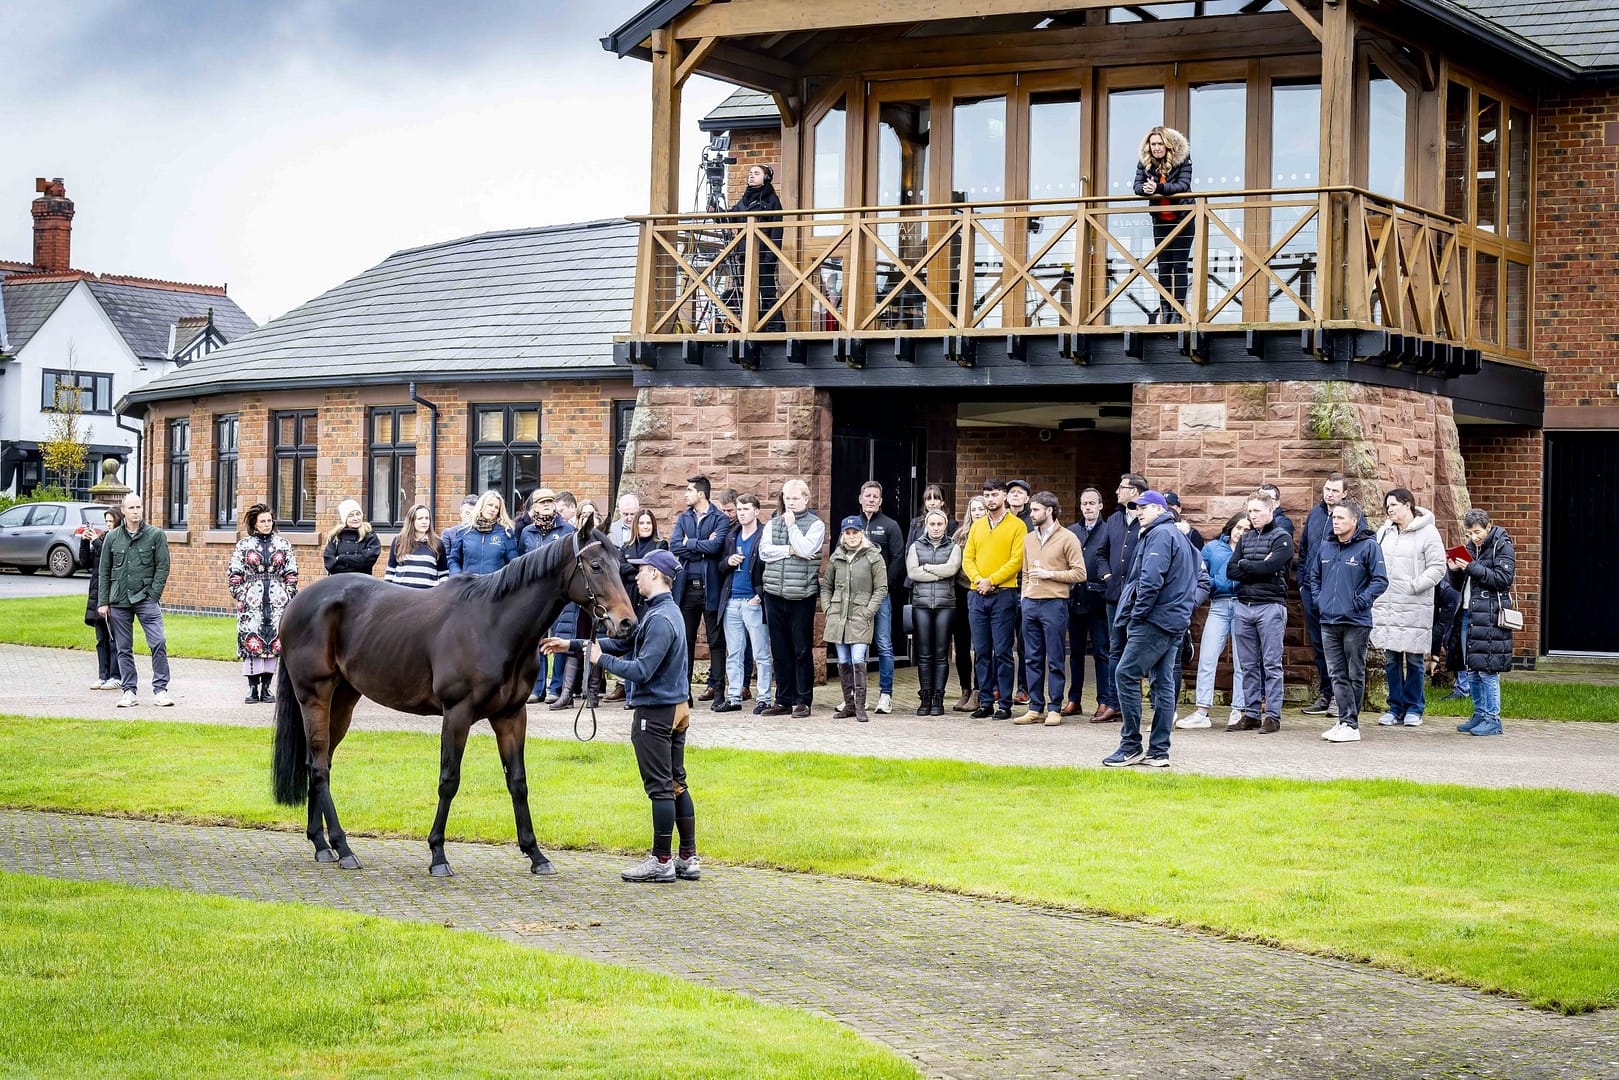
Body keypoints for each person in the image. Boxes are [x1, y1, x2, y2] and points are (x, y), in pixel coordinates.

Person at [543, 548, 697, 883]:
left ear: (655, 574)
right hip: (676, 707)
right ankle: (687, 857)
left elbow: (640, 670)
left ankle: (661, 860)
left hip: (655, 712)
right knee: (676, 783)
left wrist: (599, 661)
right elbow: (625, 645)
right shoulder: (664, 612)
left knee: (660, 788)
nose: (637, 576)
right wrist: (571, 645)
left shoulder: (659, 619)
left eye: (642, 571)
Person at [1103, 491, 1199, 767]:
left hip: (1155, 620)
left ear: (1159, 509)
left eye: (1144, 507)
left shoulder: (1159, 535)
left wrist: (1137, 616)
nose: (1138, 511)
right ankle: (1158, 751)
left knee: (1125, 674)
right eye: (1135, 507)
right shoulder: (1174, 535)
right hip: (1173, 620)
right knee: (1163, 682)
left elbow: (1150, 581)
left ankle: (1131, 745)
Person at [1306, 500, 1388, 743]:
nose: (1335, 521)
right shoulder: (1326, 547)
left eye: (1341, 518)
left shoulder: (1369, 547)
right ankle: (1343, 720)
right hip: (1328, 620)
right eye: (1334, 518)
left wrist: (1359, 601)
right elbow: (1314, 577)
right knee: (1336, 673)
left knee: (1354, 672)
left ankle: (1352, 724)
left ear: (1354, 520)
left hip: (1355, 620)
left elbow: (1380, 580)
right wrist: (1320, 601)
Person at [1370, 489, 1446, 728]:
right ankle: (1395, 707)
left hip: (1414, 604)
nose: (1389, 510)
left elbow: (1437, 567)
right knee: (1391, 658)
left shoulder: (1428, 532)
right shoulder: (1384, 532)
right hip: (1388, 605)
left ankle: (1414, 707)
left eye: (1393, 505)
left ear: (1408, 505)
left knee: (1413, 658)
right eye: (1387, 506)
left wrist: (1414, 586)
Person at [1017, 492, 1087, 726]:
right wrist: (1025, 596)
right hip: (1031, 603)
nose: (1032, 514)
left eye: (1036, 510)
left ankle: (1054, 707)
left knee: (1055, 657)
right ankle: (1035, 707)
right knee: (1031, 657)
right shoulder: (1028, 539)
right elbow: (1025, 571)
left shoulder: (1068, 538)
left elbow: (1080, 573)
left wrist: (1051, 575)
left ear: (1049, 510)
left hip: (1054, 603)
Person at [1227, 489, 1294, 734]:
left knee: (1271, 664)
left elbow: (1272, 567)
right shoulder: (1246, 538)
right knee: (1247, 664)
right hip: (1244, 605)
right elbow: (1231, 570)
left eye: (1256, 511)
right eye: (1250, 511)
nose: (1252, 516)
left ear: (1270, 510)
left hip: (1270, 606)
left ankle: (1273, 716)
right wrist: (1255, 565)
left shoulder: (1282, 537)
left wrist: (1249, 565)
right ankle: (1252, 714)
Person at [98, 492, 174, 708]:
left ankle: (161, 690)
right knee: (123, 648)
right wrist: (103, 602)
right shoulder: (112, 537)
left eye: (138, 507)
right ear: (123, 511)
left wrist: (153, 595)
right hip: (119, 599)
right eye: (131, 508)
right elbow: (104, 571)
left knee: (158, 642)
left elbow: (163, 567)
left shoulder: (155, 535)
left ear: (143, 509)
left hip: (146, 599)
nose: (135, 512)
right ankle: (129, 690)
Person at [760, 478, 825, 718]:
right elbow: (764, 552)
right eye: (787, 498)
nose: (791, 502)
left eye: (796, 498)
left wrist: (792, 528)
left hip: (801, 595)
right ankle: (783, 699)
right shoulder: (772, 523)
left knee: (800, 649)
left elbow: (808, 549)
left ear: (806, 498)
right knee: (779, 650)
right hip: (774, 593)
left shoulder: (815, 524)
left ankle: (803, 700)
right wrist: (789, 550)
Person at [1449, 508, 1516, 737]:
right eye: (1469, 533)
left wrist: (1471, 567)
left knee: (1488, 670)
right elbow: (1461, 583)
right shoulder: (1470, 548)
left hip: (1490, 615)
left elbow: (1502, 579)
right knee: (1472, 670)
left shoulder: (1502, 544)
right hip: (1469, 613)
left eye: (1477, 532)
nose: (1474, 537)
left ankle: (1492, 718)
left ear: (1488, 527)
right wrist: (1455, 570)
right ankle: (1478, 714)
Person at [963, 478, 1026, 720]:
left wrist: (993, 580)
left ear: (1005, 497)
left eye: (995, 495)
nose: (990, 500)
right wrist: (979, 579)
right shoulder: (977, 526)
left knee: (1002, 651)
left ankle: (1005, 704)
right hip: (977, 594)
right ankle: (986, 701)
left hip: (1004, 594)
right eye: (987, 495)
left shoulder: (1017, 526)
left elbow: (1016, 560)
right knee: (980, 651)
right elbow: (967, 557)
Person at [1179, 513, 1249, 730]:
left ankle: (1238, 710)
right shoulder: (1211, 549)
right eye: (1239, 527)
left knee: (1242, 661)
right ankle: (1202, 711)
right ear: (1231, 526)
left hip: (1242, 604)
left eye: (1246, 530)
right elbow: (1199, 573)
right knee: (1207, 658)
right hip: (1218, 605)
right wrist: (1216, 583)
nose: (1241, 533)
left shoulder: (1252, 548)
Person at [228, 503, 298, 703]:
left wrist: (287, 593)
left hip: (277, 601)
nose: (267, 524)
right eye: (263, 521)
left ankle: (267, 687)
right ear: (255, 524)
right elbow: (234, 573)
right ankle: (252, 688)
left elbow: (291, 572)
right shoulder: (244, 545)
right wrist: (242, 594)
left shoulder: (283, 545)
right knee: (252, 643)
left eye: (269, 520)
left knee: (274, 645)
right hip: (252, 602)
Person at [821, 516, 888, 723]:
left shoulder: (873, 557)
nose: (851, 537)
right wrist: (828, 608)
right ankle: (848, 704)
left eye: (855, 532)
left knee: (858, 658)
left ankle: (860, 705)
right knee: (843, 660)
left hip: (860, 614)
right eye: (847, 533)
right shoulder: (837, 557)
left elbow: (881, 588)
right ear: (843, 535)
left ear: (862, 533)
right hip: (838, 615)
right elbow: (826, 585)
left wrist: (869, 611)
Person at [671, 474, 731, 704]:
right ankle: (683, 693)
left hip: (711, 588)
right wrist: (699, 545)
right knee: (686, 641)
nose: (685, 494)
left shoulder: (719, 518)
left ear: (701, 494)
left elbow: (716, 548)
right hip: (686, 590)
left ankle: (718, 692)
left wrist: (690, 542)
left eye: (689, 490)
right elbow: (676, 545)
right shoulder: (684, 518)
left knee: (716, 642)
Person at [518, 488, 579, 707]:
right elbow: (522, 563)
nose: (546, 505)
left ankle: (557, 688)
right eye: (542, 502)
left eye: (550, 502)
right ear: (534, 507)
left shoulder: (567, 531)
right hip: (535, 596)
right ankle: (537, 688)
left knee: (560, 640)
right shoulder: (527, 533)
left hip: (561, 596)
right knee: (536, 640)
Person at [1097, 473, 1148, 725]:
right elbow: (1101, 553)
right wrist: (1107, 576)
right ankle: (1113, 703)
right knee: (1114, 648)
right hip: (1114, 597)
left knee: (1136, 650)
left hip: (1139, 599)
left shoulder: (1148, 520)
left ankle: (1133, 704)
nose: (1117, 491)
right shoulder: (1115, 519)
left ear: (1135, 492)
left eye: (1122, 487)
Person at [716, 493, 774, 714]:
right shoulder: (732, 536)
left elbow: (771, 568)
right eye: (739, 510)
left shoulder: (763, 535)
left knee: (761, 653)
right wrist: (728, 562)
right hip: (732, 600)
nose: (741, 514)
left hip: (754, 601)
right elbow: (720, 566)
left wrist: (761, 595)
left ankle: (764, 698)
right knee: (734, 653)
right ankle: (734, 698)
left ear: (756, 512)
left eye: (746, 509)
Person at [1297, 473, 1347, 718]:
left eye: (1335, 491)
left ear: (1344, 494)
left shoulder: (1349, 517)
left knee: (1338, 645)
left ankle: (1341, 698)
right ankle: (1326, 694)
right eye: (1327, 489)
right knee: (1319, 645)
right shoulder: (1315, 515)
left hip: (1336, 590)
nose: (1329, 494)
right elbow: (1304, 549)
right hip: (1311, 588)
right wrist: (1301, 584)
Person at [1132, 125, 1193, 323]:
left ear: (1168, 145)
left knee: (1179, 266)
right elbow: (1136, 186)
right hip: (1161, 221)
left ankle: (1178, 313)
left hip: (1183, 219)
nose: (1156, 147)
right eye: (1153, 144)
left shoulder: (1183, 160)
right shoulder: (1145, 163)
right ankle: (1165, 311)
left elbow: (1182, 185)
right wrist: (1145, 188)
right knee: (1164, 267)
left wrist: (1157, 187)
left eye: (1160, 144)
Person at [1062, 487, 1113, 719]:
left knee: (1102, 652)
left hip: (1099, 600)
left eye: (1092, 503)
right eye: (1084, 504)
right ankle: (1074, 699)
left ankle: (1103, 700)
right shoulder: (1072, 531)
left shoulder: (1109, 531)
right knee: (1076, 653)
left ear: (1101, 505)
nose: (1088, 507)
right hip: (1075, 599)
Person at [905, 507, 961, 716]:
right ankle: (925, 696)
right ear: (926, 525)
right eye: (932, 524)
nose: (936, 528)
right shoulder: (916, 546)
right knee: (924, 654)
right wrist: (940, 572)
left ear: (945, 525)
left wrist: (927, 568)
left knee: (940, 654)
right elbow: (912, 573)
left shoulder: (954, 546)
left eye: (940, 524)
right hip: (921, 605)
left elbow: (952, 569)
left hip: (945, 605)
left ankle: (939, 697)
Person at [856, 480, 905, 715]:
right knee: (856, 645)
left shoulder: (890, 526)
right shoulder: (852, 524)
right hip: (855, 597)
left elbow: (898, 559)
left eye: (876, 496)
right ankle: (856, 695)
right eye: (868, 496)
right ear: (861, 498)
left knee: (884, 644)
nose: (871, 499)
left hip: (880, 596)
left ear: (881, 501)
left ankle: (886, 695)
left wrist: (884, 587)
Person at [729, 163, 785, 331]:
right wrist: (715, 212)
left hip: (763, 254)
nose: (751, 176)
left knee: (767, 293)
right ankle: (751, 327)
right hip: (745, 254)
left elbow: (777, 229)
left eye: (756, 173)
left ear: (766, 178)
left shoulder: (772, 200)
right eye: (750, 173)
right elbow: (730, 217)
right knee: (748, 293)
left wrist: (771, 256)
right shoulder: (744, 200)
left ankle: (775, 328)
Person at [950, 496, 988, 712]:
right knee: (961, 646)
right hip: (960, 593)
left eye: (981, 509)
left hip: (982, 591)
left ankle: (979, 690)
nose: (977, 512)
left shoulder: (990, 534)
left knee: (981, 646)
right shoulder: (959, 536)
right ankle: (965, 689)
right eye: (973, 509)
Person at [82, 506, 122, 689]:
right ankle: (102, 674)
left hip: (113, 595)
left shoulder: (119, 539)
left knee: (114, 638)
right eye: (106, 521)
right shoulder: (103, 538)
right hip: (97, 593)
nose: (108, 525)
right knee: (101, 638)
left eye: (111, 521)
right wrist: (84, 542)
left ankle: (116, 675)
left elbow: (110, 559)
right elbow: (86, 562)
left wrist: (96, 542)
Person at [449, 491, 521, 576]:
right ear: (481, 505)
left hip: (494, 586)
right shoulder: (464, 530)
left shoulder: (506, 532)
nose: (493, 509)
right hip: (469, 585)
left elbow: (513, 564)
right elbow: (454, 560)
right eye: (490, 505)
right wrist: (457, 577)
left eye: (496, 507)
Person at [384, 503, 449, 589]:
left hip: (428, 596)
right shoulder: (398, 541)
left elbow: (443, 573)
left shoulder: (438, 543)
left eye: (427, 518)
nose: (424, 522)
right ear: (412, 521)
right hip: (400, 596)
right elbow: (390, 570)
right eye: (420, 518)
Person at [322, 500, 381, 577]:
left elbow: (367, 561)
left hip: (363, 583)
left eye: (358, 514)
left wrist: (341, 558)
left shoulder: (370, 535)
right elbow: (329, 563)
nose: (355, 518)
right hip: (340, 582)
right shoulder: (336, 536)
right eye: (351, 515)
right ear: (345, 519)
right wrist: (357, 561)